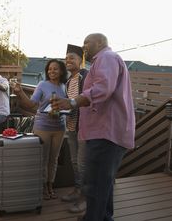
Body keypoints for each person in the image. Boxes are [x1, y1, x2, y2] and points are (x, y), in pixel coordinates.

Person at [52, 33, 135, 221]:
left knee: (95, 182)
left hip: (106, 133)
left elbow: (103, 89)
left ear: (100, 43)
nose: (83, 47)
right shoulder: (104, 60)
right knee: (102, 182)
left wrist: (72, 102)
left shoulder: (107, 57)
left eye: (86, 43)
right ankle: (103, 216)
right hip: (105, 132)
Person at [12, 59, 68, 200]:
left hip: (60, 126)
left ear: (61, 71)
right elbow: (31, 104)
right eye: (49, 69)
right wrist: (20, 93)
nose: (51, 71)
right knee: (43, 158)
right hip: (43, 125)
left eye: (55, 69)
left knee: (54, 159)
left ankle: (50, 185)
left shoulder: (64, 86)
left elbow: (68, 105)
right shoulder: (42, 85)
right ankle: (42, 186)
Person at [60, 45, 88, 213]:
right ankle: (78, 190)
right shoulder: (69, 80)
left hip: (84, 128)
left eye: (72, 58)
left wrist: (69, 107)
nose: (68, 60)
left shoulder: (85, 77)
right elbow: (69, 102)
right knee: (74, 162)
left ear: (80, 60)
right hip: (71, 125)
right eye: (67, 58)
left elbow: (86, 100)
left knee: (83, 164)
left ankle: (85, 198)